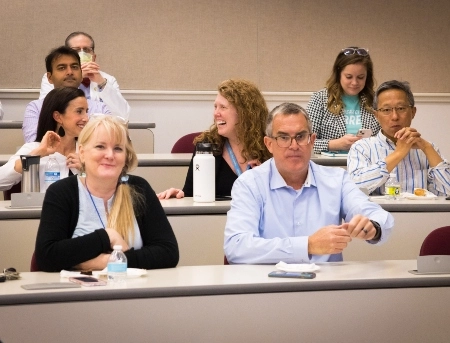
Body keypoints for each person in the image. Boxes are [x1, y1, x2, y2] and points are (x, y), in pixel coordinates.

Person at [224, 102, 393, 264]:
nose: (294, 146)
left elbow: (378, 216)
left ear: (312, 140)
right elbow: (236, 247)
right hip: (269, 286)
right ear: (269, 144)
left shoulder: (337, 180)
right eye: (283, 137)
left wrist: (374, 227)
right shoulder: (249, 184)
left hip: (325, 286)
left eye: (301, 136)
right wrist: (308, 245)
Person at [35, 115, 179, 272]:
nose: (110, 155)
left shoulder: (139, 189)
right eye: (100, 147)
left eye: (118, 148)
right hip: (78, 293)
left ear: (125, 156)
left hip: (133, 292)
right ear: (82, 153)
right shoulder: (62, 192)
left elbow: (168, 253)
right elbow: (46, 257)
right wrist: (106, 237)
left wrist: (106, 262)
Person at [157, 79, 271, 199]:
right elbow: (191, 194)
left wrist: (265, 181)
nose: (216, 113)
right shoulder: (207, 146)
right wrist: (179, 194)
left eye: (223, 107)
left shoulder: (269, 146)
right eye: (215, 107)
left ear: (245, 113)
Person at [348, 80, 450, 196]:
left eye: (401, 108)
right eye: (386, 110)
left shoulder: (427, 149)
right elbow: (354, 189)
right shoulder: (362, 148)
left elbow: (447, 192)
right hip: (379, 213)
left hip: (420, 214)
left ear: (413, 112)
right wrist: (398, 154)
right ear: (376, 115)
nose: (395, 117)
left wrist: (427, 148)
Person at [0, 87, 88, 192]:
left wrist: (87, 169)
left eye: (86, 111)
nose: (86, 118)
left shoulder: (89, 150)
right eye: (79, 111)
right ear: (58, 117)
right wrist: (36, 155)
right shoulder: (34, 148)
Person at [23, 46, 114, 143]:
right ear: (49, 77)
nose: (70, 72)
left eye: (74, 67)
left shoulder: (100, 108)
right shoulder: (36, 108)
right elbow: (34, 144)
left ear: (81, 73)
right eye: (62, 68)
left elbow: (109, 142)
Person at [306, 47, 380, 154]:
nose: (354, 82)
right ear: (338, 74)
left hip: (367, 164)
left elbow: (385, 140)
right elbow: (305, 142)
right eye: (349, 77)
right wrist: (334, 144)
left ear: (367, 77)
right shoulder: (320, 99)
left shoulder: (375, 100)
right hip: (330, 166)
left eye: (360, 77)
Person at [39, 32, 130, 117]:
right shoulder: (55, 77)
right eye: (76, 50)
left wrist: (102, 83)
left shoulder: (107, 79)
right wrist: (77, 78)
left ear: (94, 57)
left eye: (86, 50)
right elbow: (46, 110)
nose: (82, 53)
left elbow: (123, 115)